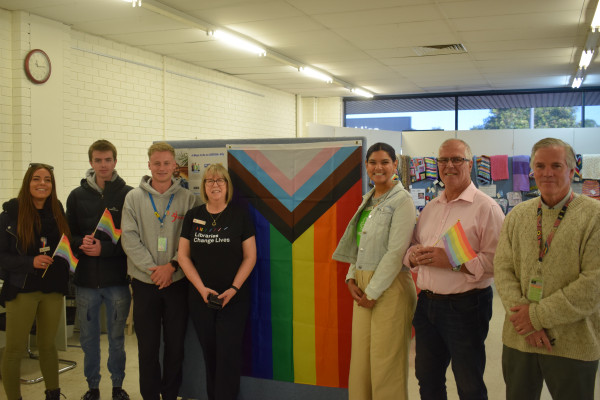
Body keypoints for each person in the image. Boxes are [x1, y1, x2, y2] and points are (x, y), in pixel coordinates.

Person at [494, 138, 600, 400]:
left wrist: (535, 317)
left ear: (572, 171)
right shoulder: (517, 215)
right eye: (540, 166)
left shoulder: (594, 216)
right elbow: (503, 270)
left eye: (556, 165)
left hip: (573, 342)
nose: (547, 173)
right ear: (532, 170)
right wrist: (527, 323)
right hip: (520, 339)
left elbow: (593, 285)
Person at [404, 138, 504, 400]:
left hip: (466, 307)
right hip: (427, 305)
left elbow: (497, 263)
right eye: (443, 160)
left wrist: (453, 261)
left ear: (470, 164)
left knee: (469, 384)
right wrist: (413, 256)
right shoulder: (431, 208)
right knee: (427, 379)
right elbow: (412, 246)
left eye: (457, 159)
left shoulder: (487, 208)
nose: (449, 165)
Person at [332, 142, 417, 400]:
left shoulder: (402, 201)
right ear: (366, 165)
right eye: (372, 162)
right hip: (363, 285)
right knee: (361, 361)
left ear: (395, 165)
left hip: (390, 287)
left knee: (386, 364)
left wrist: (373, 292)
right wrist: (351, 278)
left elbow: (395, 253)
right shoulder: (368, 200)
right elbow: (359, 244)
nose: (378, 167)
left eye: (384, 162)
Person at [121, 142, 197, 400]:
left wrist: (172, 266)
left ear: (174, 165)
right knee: (147, 348)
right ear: (149, 165)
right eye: (157, 163)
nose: (162, 168)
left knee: (175, 347)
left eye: (166, 163)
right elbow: (129, 239)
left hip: (177, 282)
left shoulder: (188, 199)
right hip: (145, 283)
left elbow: (193, 239)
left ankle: (171, 393)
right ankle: (151, 395)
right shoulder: (133, 198)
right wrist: (155, 270)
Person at [178, 163, 256, 400]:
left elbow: (250, 256)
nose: (215, 185)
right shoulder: (193, 216)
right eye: (210, 180)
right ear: (203, 186)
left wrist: (233, 288)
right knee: (210, 355)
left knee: (228, 356)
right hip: (201, 298)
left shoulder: (240, 216)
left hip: (233, 299)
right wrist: (201, 289)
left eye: (220, 180)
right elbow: (183, 256)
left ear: (227, 185)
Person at [66, 140, 132, 400]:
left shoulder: (129, 194)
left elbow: (132, 240)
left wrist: (104, 250)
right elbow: (68, 235)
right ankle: (92, 387)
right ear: (90, 162)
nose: (103, 165)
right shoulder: (76, 196)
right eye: (98, 160)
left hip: (117, 280)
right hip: (86, 282)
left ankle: (117, 387)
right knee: (89, 341)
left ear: (115, 161)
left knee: (117, 339)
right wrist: (80, 243)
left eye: (107, 160)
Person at [0, 163, 71, 400]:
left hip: (52, 289)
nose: (42, 184)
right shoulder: (10, 214)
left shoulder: (57, 211)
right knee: (14, 349)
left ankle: (53, 394)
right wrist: (30, 262)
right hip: (22, 289)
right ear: (27, 183)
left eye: (47, 180)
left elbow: (65, 244)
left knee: (48, 346)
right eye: (37, 179)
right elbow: (2, 256)